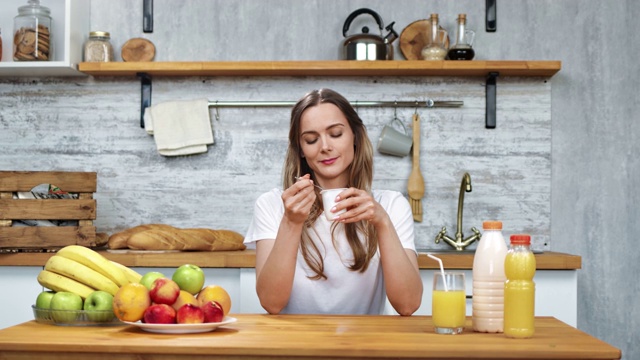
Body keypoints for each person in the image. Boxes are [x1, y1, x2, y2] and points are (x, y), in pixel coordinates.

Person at [244, 88, 423, 315]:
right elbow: (271, 302)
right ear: (301, 149)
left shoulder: (390, 205)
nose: (325, 146)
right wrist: (291, 222)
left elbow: (408, 305)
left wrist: (382, 223)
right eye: (311, 139)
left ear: (355, 136)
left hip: (365, 346)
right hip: (296, 345)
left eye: (336, 134)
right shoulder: (272, 204)